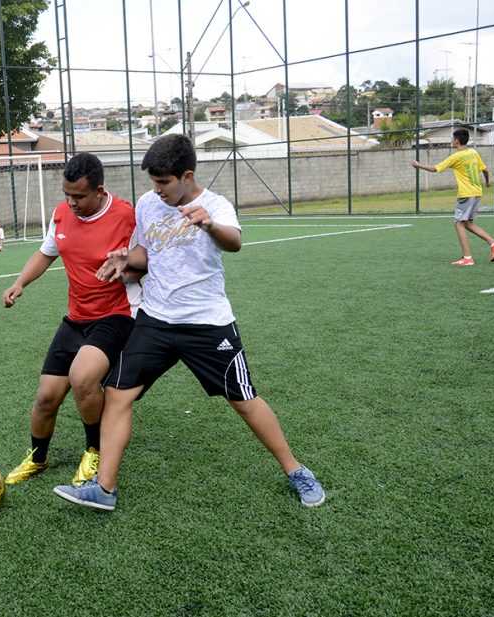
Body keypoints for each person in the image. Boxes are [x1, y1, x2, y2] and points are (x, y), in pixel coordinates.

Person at [53, 134, 326, 511]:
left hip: (207, 323)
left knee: (244, 401)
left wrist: (209, 225)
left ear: (187, 175)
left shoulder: (215, 205)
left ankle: (296, 470)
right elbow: (146, 253)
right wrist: (124, 259)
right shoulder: (149, 204)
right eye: (153, 182)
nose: (157, 190)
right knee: (117, 395)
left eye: (164, 183)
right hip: (156, 320)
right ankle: (104, 488)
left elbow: (234, 243)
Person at [2, 152, 138, 487]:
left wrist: (129, 271)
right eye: (66, 194)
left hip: (117, 315)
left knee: (82, 378)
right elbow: (47, 252)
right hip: (76, 317)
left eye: (79, 196)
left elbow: (148, 261)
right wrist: (20, 283)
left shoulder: (126, 216)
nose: (71, 202)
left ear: (99, 191)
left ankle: (95, 452)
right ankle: (38, 457)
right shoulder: (62, 214)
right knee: (46, 396)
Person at [411, 128, 494, 266]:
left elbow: (435, 169)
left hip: (466, 194)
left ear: (456, 140)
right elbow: (485, 169)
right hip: (477, 192)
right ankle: (493, 242)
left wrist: (418, 165)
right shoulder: (473, 152)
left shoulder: (456, 157)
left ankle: (467, 258)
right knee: (468, 224)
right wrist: (487, 181)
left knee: (459, 224)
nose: (451, 141)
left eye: (452, 138)